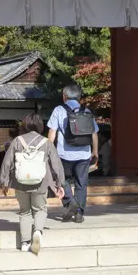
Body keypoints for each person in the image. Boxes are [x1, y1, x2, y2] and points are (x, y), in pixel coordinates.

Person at [0, 112, 62, 254]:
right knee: (40, 209)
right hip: (41, 182)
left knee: (25, 211)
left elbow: (7, 163)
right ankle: (37, 232)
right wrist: (59, 184)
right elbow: (56, 165)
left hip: (20, 181)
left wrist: (4, 182)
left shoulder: (17, 141)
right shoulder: (47, 143)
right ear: (40, 126)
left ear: (25, 125)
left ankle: (25, 242)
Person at [47, 84, 96, 223]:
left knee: (61, 180)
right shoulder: (86, 111)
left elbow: (52, 132)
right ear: (80, 97)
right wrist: (95, 151)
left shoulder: (58, 110)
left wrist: (49, 151)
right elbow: (94, 134)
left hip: (64, 154)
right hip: (84, 154)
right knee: (82, 184)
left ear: (64, 96)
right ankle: (79, 212)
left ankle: (70, 202)